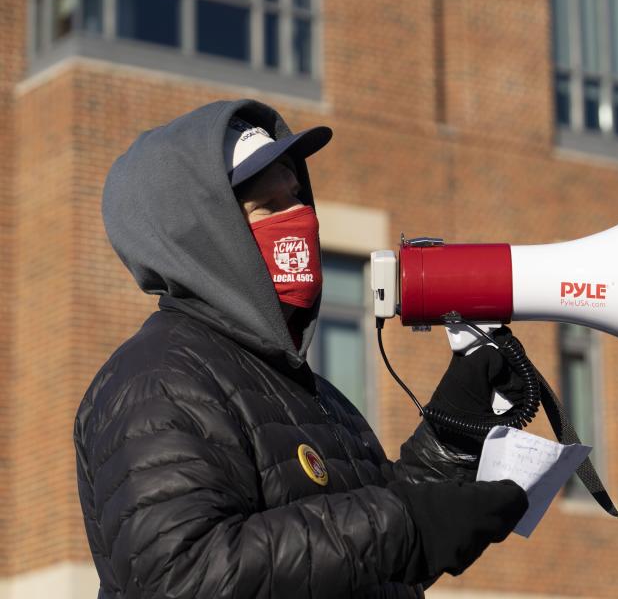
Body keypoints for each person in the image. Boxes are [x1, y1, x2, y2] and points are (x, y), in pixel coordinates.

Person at [74, 99, 529, 598]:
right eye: (268, 208)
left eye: (296, 198)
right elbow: (184, 575)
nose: (300, 220)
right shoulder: (156, 381)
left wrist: (453, 430)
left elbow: (371, 558)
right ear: (202, 240)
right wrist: (409, 528)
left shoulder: (312, 394)